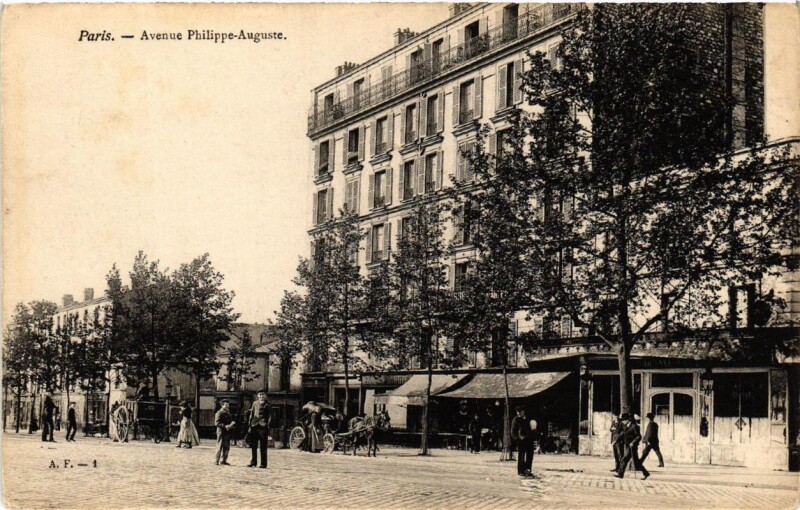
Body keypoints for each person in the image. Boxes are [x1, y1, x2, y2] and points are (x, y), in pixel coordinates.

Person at [614, 413, 650, 480]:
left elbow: (639, 436)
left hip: (632, 447)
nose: (622, 421)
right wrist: (616, 441)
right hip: (628, 446)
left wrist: (633, 443)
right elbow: (623, 434)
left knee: (624, 459)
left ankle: (620, 474)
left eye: (623, 420)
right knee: (636, 462)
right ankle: (646, 473)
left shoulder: (635, 426)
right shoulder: (626, 426)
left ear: (627, 420)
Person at [510, 405, 535, 477]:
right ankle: (521, 471)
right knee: (521, 456)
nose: (519, 413)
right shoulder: (516, 419)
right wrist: (516, 439)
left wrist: (533, 436)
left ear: (523, 411)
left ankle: (528, 470)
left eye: (520, 412)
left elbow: (532, 428)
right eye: (517, 412)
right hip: (521, 440)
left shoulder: (529, 419)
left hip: (529, 440)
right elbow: (512, 431)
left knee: (530, 456)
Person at [247, 390, 270, 468]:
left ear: (265, 395)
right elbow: (251, 414)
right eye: (260, 395)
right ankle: (253, 462)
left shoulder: (268, 404)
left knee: (263, 446)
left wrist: (267, 425)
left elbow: (270, 416)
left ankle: (263, 463)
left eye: (263, 394)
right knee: (253, 445)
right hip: (254, 426)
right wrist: (250, 425)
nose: (261, 396)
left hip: (263, 427)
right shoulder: (255, 403)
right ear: (257, 396)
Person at [214, 400, 236, 466]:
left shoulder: (228, 412)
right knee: (219, 446)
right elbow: (217, 423)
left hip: (227, 432)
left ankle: (224, 460)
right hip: (221, 431)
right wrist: (225, 426)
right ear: (222, 405)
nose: (227, 406)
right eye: (226, 405)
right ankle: (216, 460)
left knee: (226, 446)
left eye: (228, 405)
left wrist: (231, 424)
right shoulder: (219, 413)